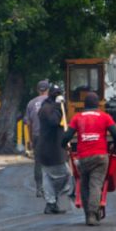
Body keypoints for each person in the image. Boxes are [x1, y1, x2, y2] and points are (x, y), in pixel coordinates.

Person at [61, 92, 116, 226]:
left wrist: (64, 145)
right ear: (98, 104)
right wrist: (114, 145)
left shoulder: (77, 118)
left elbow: (67, 136)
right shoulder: (105, 117)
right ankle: (93, 215)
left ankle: (88, 213)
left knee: (84, 184)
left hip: (83, 157)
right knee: (96, 185)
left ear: (85, 105)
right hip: (100, 156)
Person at [37, 85, 70, 214]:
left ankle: (51, 203)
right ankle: (52, 200)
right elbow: (54, 121)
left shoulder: (51, 107)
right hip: (50, 150)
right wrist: (58, 106)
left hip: (49, 149)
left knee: (48, 178)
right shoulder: (46, 108)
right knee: (65, 174)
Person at [23, 80, 50, 197]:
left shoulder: (31, 103)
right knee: (53, 162)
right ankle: (53, 188)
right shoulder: (52, 101)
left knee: (38, 162)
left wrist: (30, 139)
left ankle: (39, 188)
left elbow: (28, 123)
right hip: (51, 136)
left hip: (37, 136)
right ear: (48, 90)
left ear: (38, 90)